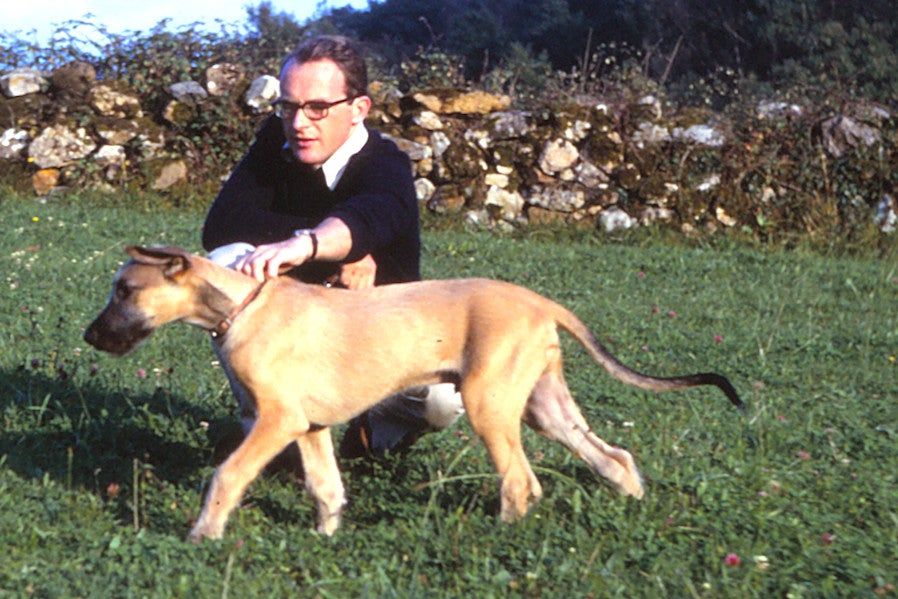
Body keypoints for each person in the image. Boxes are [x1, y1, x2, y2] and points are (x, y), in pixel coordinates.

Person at [202, 35, 462, 459]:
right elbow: (223, 224)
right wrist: (338, 248)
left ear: (358, 109)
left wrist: (322, 242)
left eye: (318, 108)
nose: (300, 123)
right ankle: (267, 431)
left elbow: (374, 213)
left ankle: (376, 434)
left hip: (377, 347)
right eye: (288, 106)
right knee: (228, 264)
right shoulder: (275, 143)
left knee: (441, 401)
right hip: (298, 331)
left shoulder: (387, 164)